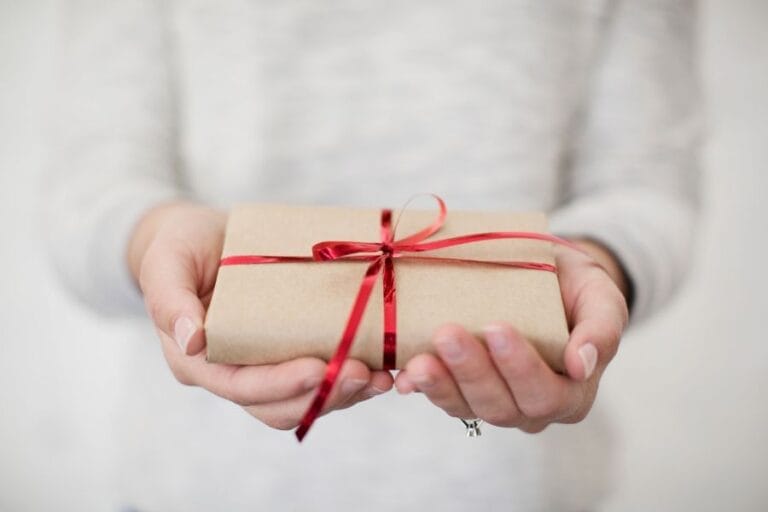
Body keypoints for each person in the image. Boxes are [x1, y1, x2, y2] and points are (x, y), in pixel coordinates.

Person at [47, 0, 700, 510]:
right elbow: (90, 191)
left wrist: (596, 268)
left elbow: (647, 188)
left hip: (515, 492)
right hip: (200, 488)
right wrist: (155, 239)